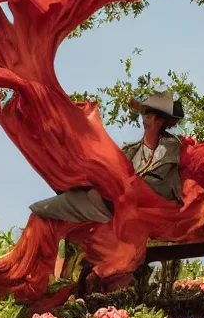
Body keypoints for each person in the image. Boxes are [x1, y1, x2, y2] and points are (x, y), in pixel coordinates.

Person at [28, 93, 185, 223]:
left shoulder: (170, 145)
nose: (146, 120)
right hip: (107, 201)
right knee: (41, 208)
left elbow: (156, 183)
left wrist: (124, 187)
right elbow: (110, 166)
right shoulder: (131, 150)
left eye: (150, 116)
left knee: (93, 197)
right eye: (145, 115)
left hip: (140, 207)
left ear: (160, 121)